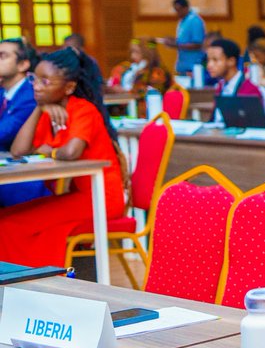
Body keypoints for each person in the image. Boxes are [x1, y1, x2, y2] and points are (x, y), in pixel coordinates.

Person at [0, 49, 126, 267]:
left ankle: (29, 283)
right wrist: (39, 109)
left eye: (45, 81)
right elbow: (19, 151)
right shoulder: (50, 111)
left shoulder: (83, 110)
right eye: (35, 79)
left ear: (69, 87)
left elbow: (71, 152)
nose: (36, 86)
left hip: (101, 197)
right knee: (5, 217)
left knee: (12, 224)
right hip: (77, 195)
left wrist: (49, 151)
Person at [0, 38, 47, 207]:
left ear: (22, 65)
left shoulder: (30, 95)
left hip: (23, 177)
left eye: (2, 56)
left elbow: (3, 133)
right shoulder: (3, 93)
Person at [208, 38, 265, 123]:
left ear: (231, 61)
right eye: (208, 60)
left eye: (215, 60)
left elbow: (255, 124)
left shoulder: (249, 89)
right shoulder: (221, 86)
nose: (209, 65)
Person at [156, 0, 207, 77]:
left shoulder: (195, 21)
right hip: (182, 65)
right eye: (176, 10)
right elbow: (183, 40)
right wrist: (172, 40)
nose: (177, 13)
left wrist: (176, 45)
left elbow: (197, 44)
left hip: (192, 66)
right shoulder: (182, 21)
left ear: (186, 8)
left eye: (179, 10)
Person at [107, 39, 173, 95]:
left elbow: (152, 92)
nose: (132, 56)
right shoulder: (129, 68)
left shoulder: (158, 72)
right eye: (132, 52)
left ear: (148, 54)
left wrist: (127, 92)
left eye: (137, 52)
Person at [244, 25, 265, 90]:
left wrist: (257, 81)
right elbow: (247, 78)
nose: (255, 59)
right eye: (253, 56)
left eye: (257, 56)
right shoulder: (258, 63)